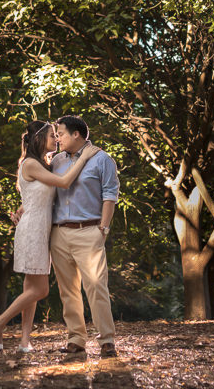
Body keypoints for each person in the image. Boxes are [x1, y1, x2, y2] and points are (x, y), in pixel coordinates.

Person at [0, 120, 99, 353]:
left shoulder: (43, 164)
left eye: (57, 136)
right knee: (41, 290)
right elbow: (65, 183)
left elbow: (37, 196)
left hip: (40, 229)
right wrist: (85, 157)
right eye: (51, 136)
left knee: (31, 288)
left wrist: (22, 208)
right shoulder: (30, 164)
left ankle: (24, 341)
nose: (56, 139)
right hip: (33, 232)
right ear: (38, 139)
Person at [48, 115, 120, 358]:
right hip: (58, 233)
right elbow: (47, 192)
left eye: (61, 134)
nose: (57, 138)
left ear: (76, 134)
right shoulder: (56, 161)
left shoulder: (102, 159)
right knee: (68, 290)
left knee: (96, 286)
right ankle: (76, 338)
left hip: (89, 231)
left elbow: (110, 195)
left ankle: (106, 340)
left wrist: (104, 228)